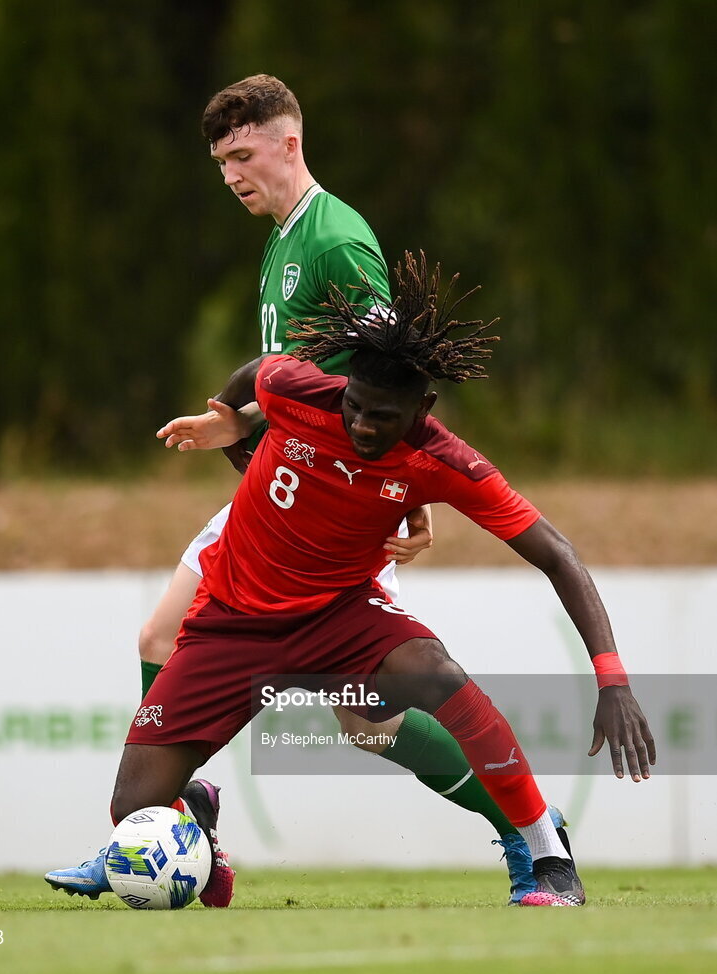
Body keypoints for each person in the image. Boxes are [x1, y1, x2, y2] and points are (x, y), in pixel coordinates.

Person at [45, 75, 557, 906]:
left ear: (289, 143)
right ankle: (171, 820)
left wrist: (403, 492)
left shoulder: (335, 240)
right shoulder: (285, 237)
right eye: (219, 163)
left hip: (332, 504)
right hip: (279, 493)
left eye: (242, 155)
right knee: (159, 635)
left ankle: (525, 830)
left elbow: (388, 375)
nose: (231, 175)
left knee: (368, 722)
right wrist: (234, 419)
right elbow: (299, 378)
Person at [48, 253, 655, 908]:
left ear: (420, 408)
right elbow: (255, 374)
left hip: (340, 617)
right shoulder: (295, 389)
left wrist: (611, 678)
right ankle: (192, 816)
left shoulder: (440, 459)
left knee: (433, 672)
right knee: (131, 808)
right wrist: (231, 415)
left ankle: (545, 853)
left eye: (383, 418)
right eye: (355, 408)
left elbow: (557, 554)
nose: (363, 426)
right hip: (231, 621)